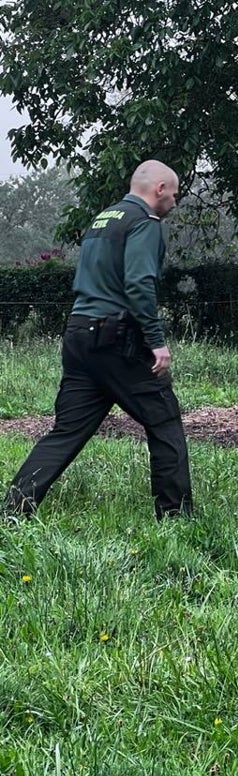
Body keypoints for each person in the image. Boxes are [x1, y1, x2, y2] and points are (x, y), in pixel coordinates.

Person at [5, 160, 194, 519]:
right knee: (164, 419)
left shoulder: (103, 220)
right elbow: (139, 283)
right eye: (174, 193)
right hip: (115, 338)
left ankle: (13, 509)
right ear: (159, 189)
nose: (175, 201)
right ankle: (176, 517)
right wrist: (156, 341)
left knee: (67, 432)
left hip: (78, 334)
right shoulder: (144, 223)